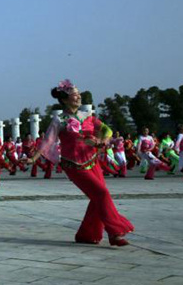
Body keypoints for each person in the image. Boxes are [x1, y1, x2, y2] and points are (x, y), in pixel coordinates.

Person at [32, 79, 134, 246]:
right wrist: (32, 158)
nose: (78, 97)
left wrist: (101, 141)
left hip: (92, 161)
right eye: (74, 94)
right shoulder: (60, 121)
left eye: (79, 94)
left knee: (97, 198)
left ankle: (87, 234)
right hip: (73, 165)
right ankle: (115, 231)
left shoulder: (87, 116)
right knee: (102, 194)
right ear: (64, 99)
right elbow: (47, 142)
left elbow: (106, 130)